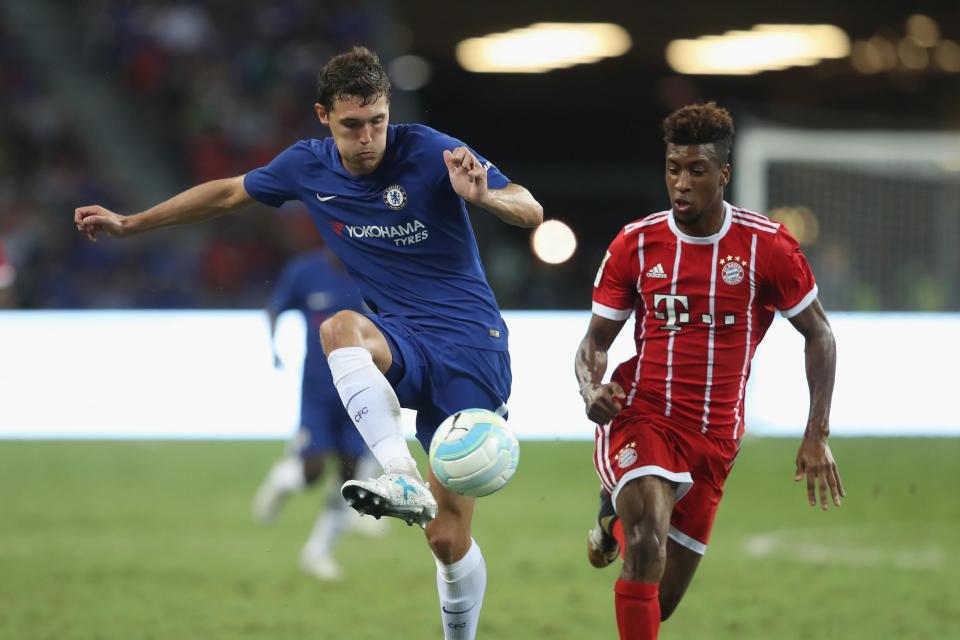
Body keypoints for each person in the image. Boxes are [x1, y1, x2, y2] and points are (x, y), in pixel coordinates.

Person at [74, 46, 542, 639]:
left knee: (447, 538)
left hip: (471, 345)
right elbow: (224, 194)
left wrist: (485, 198)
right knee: (337, 328)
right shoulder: (305, 166)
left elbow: (530, 208)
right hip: (400, 337)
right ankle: (398, 472)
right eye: (353, 125)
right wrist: (130, 223)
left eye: (377, 121)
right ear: (324, 116)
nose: (369, 137)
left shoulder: (428, 149)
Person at [574, 102, 843, 640]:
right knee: (647, 543)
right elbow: (594, 342)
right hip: (642, 412)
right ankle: (626, 516)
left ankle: (612, 520)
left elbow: (819, 333)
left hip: (714, 438)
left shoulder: (767, 246)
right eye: (673, 168)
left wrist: (816, 433)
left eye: (696, 170)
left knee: (660, 599)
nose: (682, 182)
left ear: (723, 173)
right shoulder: (636, 243)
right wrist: (591, 388)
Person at [252, 246, 388, 581]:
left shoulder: (372, 271)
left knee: (351, 476)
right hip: (317, 392)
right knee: (312, 471)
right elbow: (275, 308)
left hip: (360, 392)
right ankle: (283, 479)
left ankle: (318, 553)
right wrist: (273, 349)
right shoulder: (305, 272)